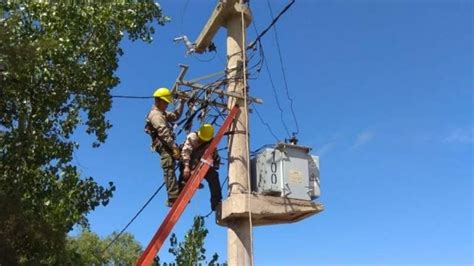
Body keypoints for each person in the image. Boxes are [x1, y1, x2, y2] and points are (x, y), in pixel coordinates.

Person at [145, 87, 185, 207]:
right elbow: (163, 132)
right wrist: (173, 147)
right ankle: (173, 198)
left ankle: (182, 184)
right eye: (165, 102)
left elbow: (175, 116)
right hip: (163, 144)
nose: (167, 105)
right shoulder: (155, 115)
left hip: (168, 143)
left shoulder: (161, 113)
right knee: (168, 167)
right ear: (158, 101)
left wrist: (182, 102)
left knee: (185, 157)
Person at [180, 124, 222, 211]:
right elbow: (185, 152)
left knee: (214, 176)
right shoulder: (193, 137)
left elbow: (215, 155)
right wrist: (186, 167)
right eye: (201, 139)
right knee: (185, 175)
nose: (202, 141)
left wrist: (216, 162)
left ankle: (216, 203)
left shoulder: (211, 142)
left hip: (201, 163)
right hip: (188, 160)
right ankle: (181, 189)